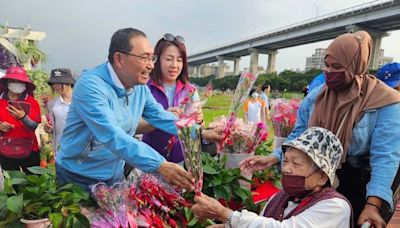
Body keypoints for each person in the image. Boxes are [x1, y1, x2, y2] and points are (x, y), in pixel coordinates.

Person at [247, 31, 400, 227]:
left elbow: (385, 157)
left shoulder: (385, 102)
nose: (329, 72)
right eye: (326, 66)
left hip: (364, 182)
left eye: (337, 67)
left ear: (356, 65)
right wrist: (274, 157)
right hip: (322, 179)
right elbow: (300, 136)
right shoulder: (316, 97)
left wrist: (373, 203)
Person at [55, 28, 222, 192]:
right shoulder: (91, 87)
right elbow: (113, 135)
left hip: (114, 174)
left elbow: (160, 116)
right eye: (144, 58)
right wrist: (160, 164)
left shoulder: (138, 86)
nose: (151, 65)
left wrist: (200, 132)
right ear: (119, 59)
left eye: (152, 58)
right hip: (78, 177)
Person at [192, 127, 352, 227]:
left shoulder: (335, 207)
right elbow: (263, 222)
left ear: (322, 177)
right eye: (286, 161)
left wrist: (224, 214)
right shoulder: (280, 197)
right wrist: (230, 225)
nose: (286, 169)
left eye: (296, 164)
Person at [141, 33, 203, 164]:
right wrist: (162, 117)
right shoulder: (145, 87)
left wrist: (200, 120)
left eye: (179, 60)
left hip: (180, 160)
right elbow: (134, 124)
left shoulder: (191, 91)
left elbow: (196, 130)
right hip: (150, 161)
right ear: (157, 60)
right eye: (169, 59)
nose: (174, 65)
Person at [0, 66, 41, 171]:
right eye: (13, 80)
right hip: (6, 148)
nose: (17, 83)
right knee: (13, 183)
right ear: (7, 82)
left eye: (20, 81)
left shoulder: (32, 102)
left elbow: (34, 126)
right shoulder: (0, 101)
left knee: (33, 183)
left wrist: (23, 117)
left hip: (29, 149)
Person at [43, 68, 75, 156]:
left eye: (59, 83)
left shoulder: (81, 101)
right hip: (60, 149)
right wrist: (48, 128)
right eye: (53, 84)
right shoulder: (52, 104)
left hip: (79, 148)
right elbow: (52, 127)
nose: (55, 86)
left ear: (68, 82)